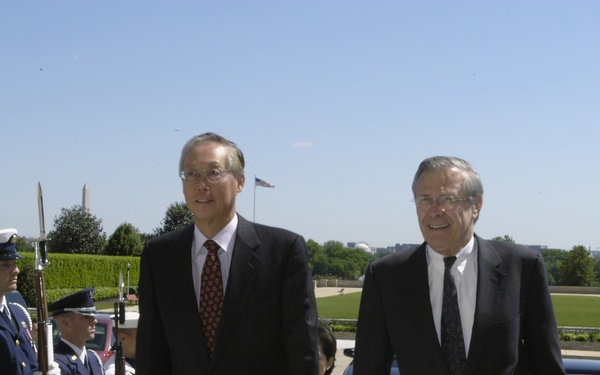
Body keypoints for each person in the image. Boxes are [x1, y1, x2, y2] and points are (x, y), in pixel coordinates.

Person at [353, 156, 565, 375]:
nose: (434, 211)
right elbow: (369, 368)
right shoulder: (385, 277)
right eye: (424, 200)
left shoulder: (522, 268)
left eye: (447, 199)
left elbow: (546, 366)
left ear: (476, 205)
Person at [136, 132, 319, 374]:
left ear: (240, 181)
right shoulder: (159, 255)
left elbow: (302, 353)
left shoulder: (283, 252)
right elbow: (151, 353)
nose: (201, 185)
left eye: (213, 173)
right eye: (191, 174)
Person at [0, 228, 61, 375]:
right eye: (5, 265)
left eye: (15, 263)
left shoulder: (18, 314)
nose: (16, 270)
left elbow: (28, 363)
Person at [49, 288, 105, 375]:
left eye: (93, 316)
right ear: (65, 322)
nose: (94, 321)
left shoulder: (93, 358)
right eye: (86, 317)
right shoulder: (56, 366)